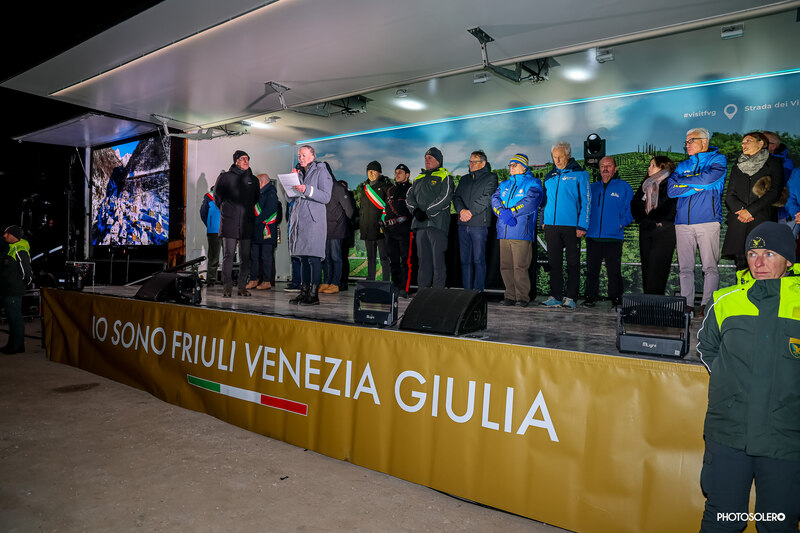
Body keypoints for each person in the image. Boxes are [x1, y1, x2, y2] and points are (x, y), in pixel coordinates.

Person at [697, 221, 800, 533]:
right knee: (723, 520)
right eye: (753, 254)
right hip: (729, 433)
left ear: (788, 260)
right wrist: (728, 379)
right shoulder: (725, 300)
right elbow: (707, 347)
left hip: (786, 436)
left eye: (769, 254)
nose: (759, 262)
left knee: (777, 523)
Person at [667, 127, 727, 318]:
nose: (687, 145)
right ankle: (687, 304)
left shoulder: (718, 160)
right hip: (682, 223)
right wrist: (697, 186)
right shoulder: (682, 164)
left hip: (708, 221)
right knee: (685, 268)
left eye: (691, 141)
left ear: (704, 141)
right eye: (686, 142)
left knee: (710, 267)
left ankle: (707, 305)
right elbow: (671, 190)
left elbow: (708, 180)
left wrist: (685, 181)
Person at [721, 132, 785, 271]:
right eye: (742, 142)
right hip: (739, 221)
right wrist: (742, 211)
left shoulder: (774, 163)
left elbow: (775, 192)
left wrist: (750, 211)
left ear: (761, 143)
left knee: (761, 267)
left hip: (761, 219)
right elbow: (730, 194)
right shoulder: (737, 166)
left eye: (748, 141)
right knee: (741, 268)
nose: (743, 144)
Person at [540, 141, 590, 309]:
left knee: (573, 262)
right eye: (555, 157)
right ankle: (555, 296)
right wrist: (543, 222)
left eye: (561, 156)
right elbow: (545, 201)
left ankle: (570, 297)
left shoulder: (580, 174)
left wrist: (582, 225)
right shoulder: (549, 176)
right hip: (551, 226)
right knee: (554, 263)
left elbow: (587, 201)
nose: (557, 160)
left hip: (572, 226)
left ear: (568, 155)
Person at [491, 154, 543, 307]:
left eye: (515, 165)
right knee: (505, 266)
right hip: (504, 231)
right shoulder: (504, 184)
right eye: (510, 165)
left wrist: (512, 212)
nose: (511, 167)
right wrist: (502, 213)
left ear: (524, 167)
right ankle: (510, 295)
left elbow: (531, 201)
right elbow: (494, 199)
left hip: (521, 232)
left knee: (520, 266)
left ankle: (522, 297)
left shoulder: (533, 183)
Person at [583, 157, 633, 307]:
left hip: (613, 237)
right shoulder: (592, 188)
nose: (605, 168)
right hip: (593, 237)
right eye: (602, 166)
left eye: (609, 166)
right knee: (592, 270)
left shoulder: (624, 187)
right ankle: (590, 297)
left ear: (615, 168)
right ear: (599, 169)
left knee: (614, 271)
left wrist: (620, 224)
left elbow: (631, 210)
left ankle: (616, 299)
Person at [288, 145, 332, 306]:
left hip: (314, 221)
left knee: (313, 257)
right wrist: (291, 182)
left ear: (313, 156)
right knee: (303, 258)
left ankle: (314, 295)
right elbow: (290, 198)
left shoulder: (322, 171)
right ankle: (304, 292)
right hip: (300, 220)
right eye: (299, 155)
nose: (301, 158)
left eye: (304, 155)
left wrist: (307, 189)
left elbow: (326, 197)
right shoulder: (299, 173)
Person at [405, 147, 455, 289]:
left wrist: (427, 212)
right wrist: (415, 211)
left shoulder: (445, 176)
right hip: (420, 225)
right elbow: (409, 198)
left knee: (438, 260)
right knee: (423, 260)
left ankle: (437, 293)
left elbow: (445, 198)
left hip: (437, 224)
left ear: (438, 160)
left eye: (430, 158)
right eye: (425, 158)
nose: (427, 160)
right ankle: (423, 292)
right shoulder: (418, 178)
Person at [214, 150, 260, 298]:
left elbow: (255, 199)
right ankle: (227, 287)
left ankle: (242, 287)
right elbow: (217, 198)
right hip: (230, 222)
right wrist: (228, 211)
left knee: (245, 257)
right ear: (236, 161)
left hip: (247, 223)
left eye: (247, 158)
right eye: (243, 158)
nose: (246, 161)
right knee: (228, 256)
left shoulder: (253, 180)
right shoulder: (225, 177)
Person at [631, 156, 678, 295]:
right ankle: (648, 300)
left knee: (658, 268)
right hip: (646, 229)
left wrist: (652, 216)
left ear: (662, 167)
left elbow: (669, 206)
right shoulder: (645, 184)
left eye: (652, 165)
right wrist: (644, 218)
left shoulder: (671, 183)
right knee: (647, 266)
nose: (649, 168)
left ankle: (656, 300)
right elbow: (635, 203)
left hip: (664, 231)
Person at [454, 150, 498, 292]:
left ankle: (478, 292)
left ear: (483, 163)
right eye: (470, 161)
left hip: (479, 224)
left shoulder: (491, 177)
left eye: (474, 162)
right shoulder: (464, 179)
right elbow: (456, 197)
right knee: (465, 261)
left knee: (478, 260)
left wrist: (470, 212)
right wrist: (461, 211)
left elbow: (487, 197)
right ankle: (467, 293)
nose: (471, 164)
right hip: (463, 224)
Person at [357, 161, 391, 281]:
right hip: (367, 228)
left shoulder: (386, 187)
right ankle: (370, 280)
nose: (371, 173)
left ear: (379, 172)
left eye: (374, 171)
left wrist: (384, 223)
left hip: (381, 229)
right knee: (370, 257)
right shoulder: (364, 188)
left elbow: (388, 208)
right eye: (369, 171)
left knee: (384, 257)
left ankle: (386, 282)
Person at [383, 164, 413, 297]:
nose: (397, 175)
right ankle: (395, 286)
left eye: (400, 172)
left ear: (407, 175)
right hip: (390, 230)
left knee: (406, 260)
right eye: (396, 172)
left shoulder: (411, 189)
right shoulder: (391, 190)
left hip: (405, 229)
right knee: (393, 260)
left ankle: (404, 288)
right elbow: (386, 209)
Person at [1, 225, 32, 354]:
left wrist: (22, 285)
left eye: (7, 233)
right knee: (11, 319)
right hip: (7, 290)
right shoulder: (10, 248)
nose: (4, 235)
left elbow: (27, 273)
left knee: (15, 319)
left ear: (14, 236)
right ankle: (11, 344)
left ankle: (18, 346)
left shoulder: (20, 250)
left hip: (14, 291)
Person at [321, 178, 355, 294]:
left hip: (337, 229)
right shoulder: (324, 188)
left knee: (336, 256)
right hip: (326, 229)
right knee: (326, 257)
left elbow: (350, 211)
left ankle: (336, 283)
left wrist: (341, 222)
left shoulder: (338, 188)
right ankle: (326, 282)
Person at [247, 173, 280, 290]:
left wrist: (253, 221)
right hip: (256, 230)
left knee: (266, 257)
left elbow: (268, 212)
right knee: (254, 256)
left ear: (261, 182)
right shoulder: (257, 194)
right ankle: (253, 279)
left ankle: (266, 281)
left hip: (267, 231)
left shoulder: (271, 193)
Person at [199, 186, 221, 286]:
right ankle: (214, 279)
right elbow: (203, 213)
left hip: (221, 230)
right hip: (216, 230)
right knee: (216, 256)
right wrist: (210, 224)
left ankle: (212, 280)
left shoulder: (226, 196)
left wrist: (210, 224)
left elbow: (203, 213)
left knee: (215, 256)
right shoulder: (208, 197)